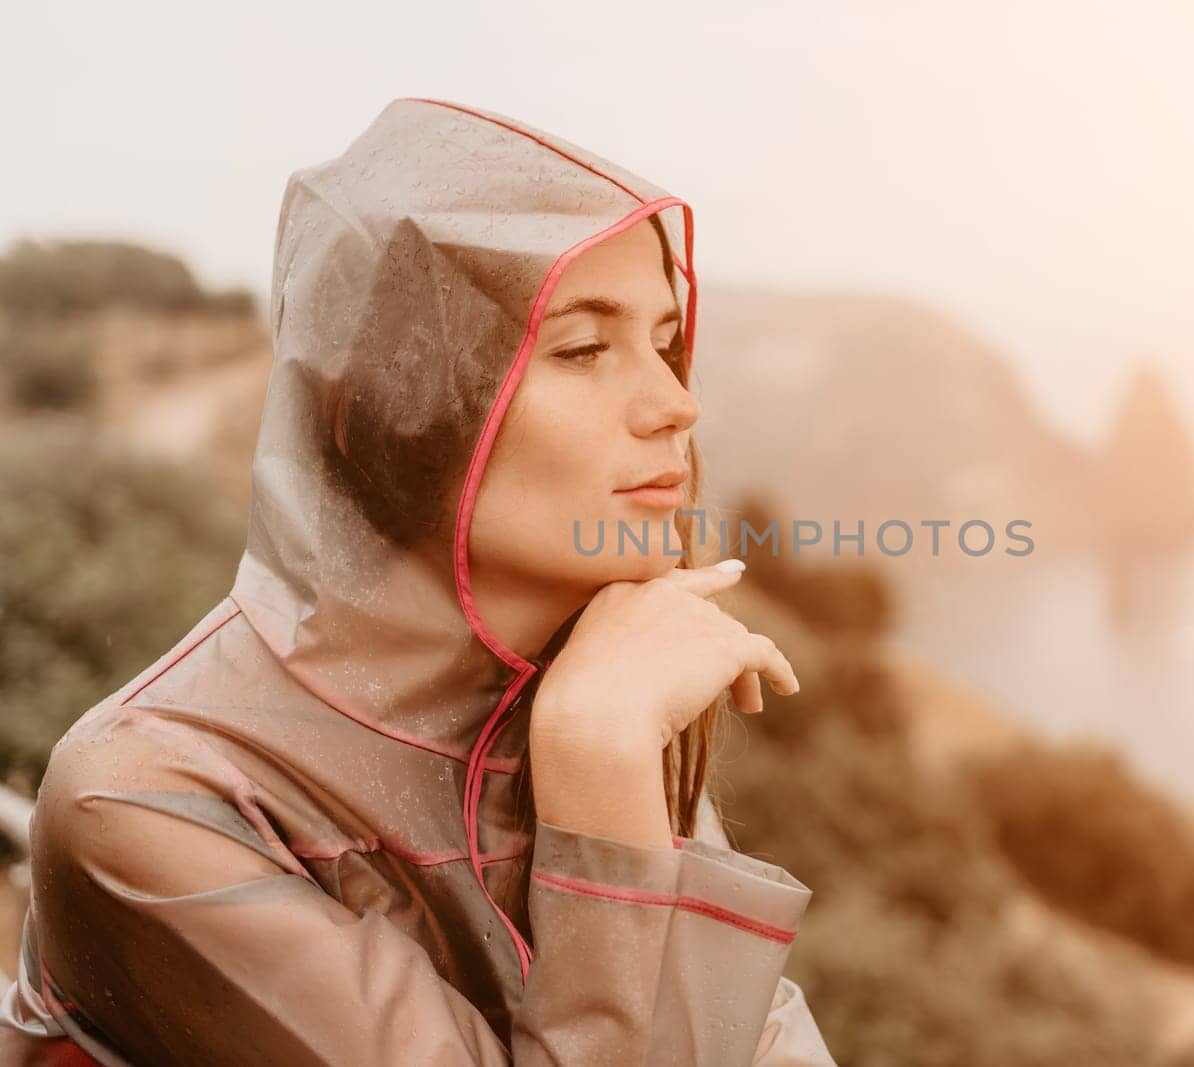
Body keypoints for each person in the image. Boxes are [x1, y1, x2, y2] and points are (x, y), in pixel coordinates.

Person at [0, 96, 837, 1066]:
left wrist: (599, 750)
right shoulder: (147, 797)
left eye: (664, 341)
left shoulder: (597, 690)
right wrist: (599, 769)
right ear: (383, 413)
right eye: (580, 346)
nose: (674, 403)